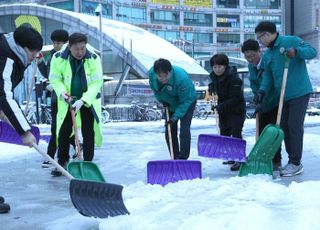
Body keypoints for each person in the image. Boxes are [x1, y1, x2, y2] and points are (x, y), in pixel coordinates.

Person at [254, 21, 317, 177]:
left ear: (267, 34)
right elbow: (268, 76)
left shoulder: (291, 41)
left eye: (259, 38)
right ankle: (292, 162)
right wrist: (262, 90)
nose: (260, 42)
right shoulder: (268, 54)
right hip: (283, 96)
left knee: (294, 126)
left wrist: (296, 51)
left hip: (299, 91)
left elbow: (312, 51)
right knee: (284, 128)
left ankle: (296, 163)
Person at [0, 25, 43, 213]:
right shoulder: (7, 57)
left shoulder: (12, 52)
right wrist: (24, 132)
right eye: (33, 51)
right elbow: (4, 95)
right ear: (22, 47)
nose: (35, 55)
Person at [49, 32, 103, 176]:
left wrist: (83, 100)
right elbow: (55, 79)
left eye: (82, 48)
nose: (80, 52)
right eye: (76, 49)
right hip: (68, 101)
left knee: (88, 131)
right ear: (69, 46)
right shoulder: (58, 58)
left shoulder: (93, 58)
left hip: (87, 102)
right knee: (64, 131)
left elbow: (97, 82)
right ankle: (62, 162)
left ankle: (88, 162)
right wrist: (62, 93)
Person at [37, 29, 78, 168]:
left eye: (59, 43)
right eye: (54, 43)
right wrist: (40, 62)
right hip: (56, 99)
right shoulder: (53, 55)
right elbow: (49, 75)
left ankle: (51, 157)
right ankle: (76, 147)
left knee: (59, 129)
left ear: (66, 43)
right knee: (60, 129)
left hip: (68, 99)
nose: (56, 45)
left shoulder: (71, 56)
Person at [241, 39, 282, 171]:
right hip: (263, 103)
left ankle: (276, 160)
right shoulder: (251, 66)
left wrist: (263, 98)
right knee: (262, 132)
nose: (250, 59)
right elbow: (254, 83)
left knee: (273, 132)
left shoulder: (268, 62)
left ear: (260, 51)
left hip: (275, 102)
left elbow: (270, 84)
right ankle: (262, 159)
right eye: (247, 57)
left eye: (252, 56)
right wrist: (257, 98)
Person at [148, 58, 197, 159]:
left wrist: (174, 118)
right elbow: (155, 90)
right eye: (160, 76)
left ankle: (182, 158)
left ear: (170, 72)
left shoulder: (182, 79)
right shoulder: (152, 74)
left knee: (184, 130)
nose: (163, 79)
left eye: (165, 76)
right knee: (169, 130)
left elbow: (184, 102)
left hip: (187, 102)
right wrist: (162, 100)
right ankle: (174, 156)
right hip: (169, 103)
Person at [208, 53, 246, 171]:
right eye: (214, 67)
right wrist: (212, 87)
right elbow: (216, 89)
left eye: (220, 67)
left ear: (226, 66)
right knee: (224, 133)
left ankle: (239, 159)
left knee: (235, 134)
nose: (217, 69)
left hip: (236, 110)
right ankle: (232, 156)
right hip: (224, 111)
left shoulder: (234, 79)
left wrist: (220, 106)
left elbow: (236, 98)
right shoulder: (214, 78)